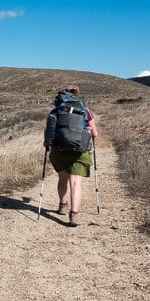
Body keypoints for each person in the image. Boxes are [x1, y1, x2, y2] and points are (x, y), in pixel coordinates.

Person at [47, 85, 99, 226]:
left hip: (59, 150)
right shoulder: (86, 111)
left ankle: (62, 205)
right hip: (80, 151)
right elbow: (94, 134)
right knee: (76, 182)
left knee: (62, 179)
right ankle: (73, 214)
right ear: (78, 95)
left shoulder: (55, 110)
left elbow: (50, 132)